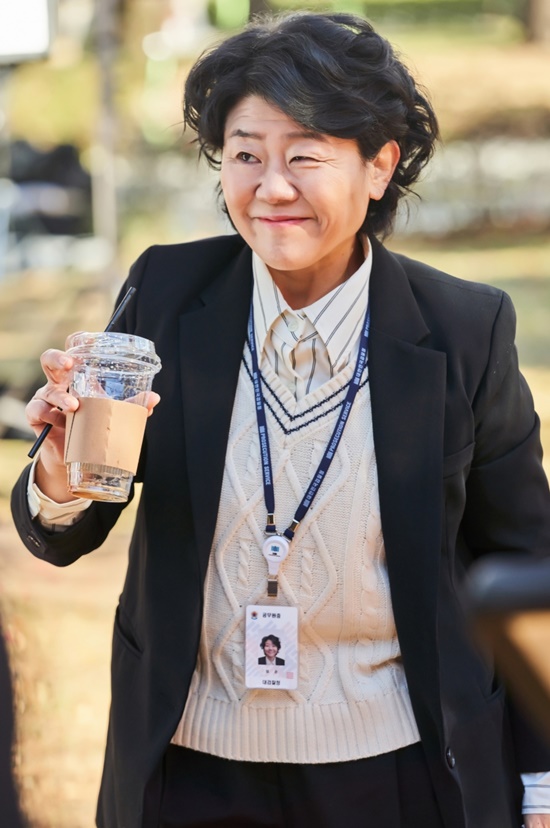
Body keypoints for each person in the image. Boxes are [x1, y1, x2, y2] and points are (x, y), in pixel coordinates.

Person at [10, 11, 550, 828]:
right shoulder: (168, 294)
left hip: (400, 771)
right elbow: (66, 528)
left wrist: (539, 785)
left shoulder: (464, 330)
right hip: (188, 770)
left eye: (305, 156)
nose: (271, 188)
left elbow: (524, 560)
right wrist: (61, 464)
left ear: (379, 166)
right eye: (245, 155)